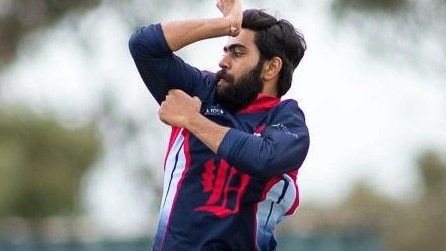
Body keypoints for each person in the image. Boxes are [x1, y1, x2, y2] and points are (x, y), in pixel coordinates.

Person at [128, 0, 309, 250]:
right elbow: (144, 46)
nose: (223, 61)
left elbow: (264, 158)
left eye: (237, 53)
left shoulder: (286, 119)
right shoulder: (203, 91)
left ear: (271, 67)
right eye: (225, 51)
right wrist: (225, 25)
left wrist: (192, 120)